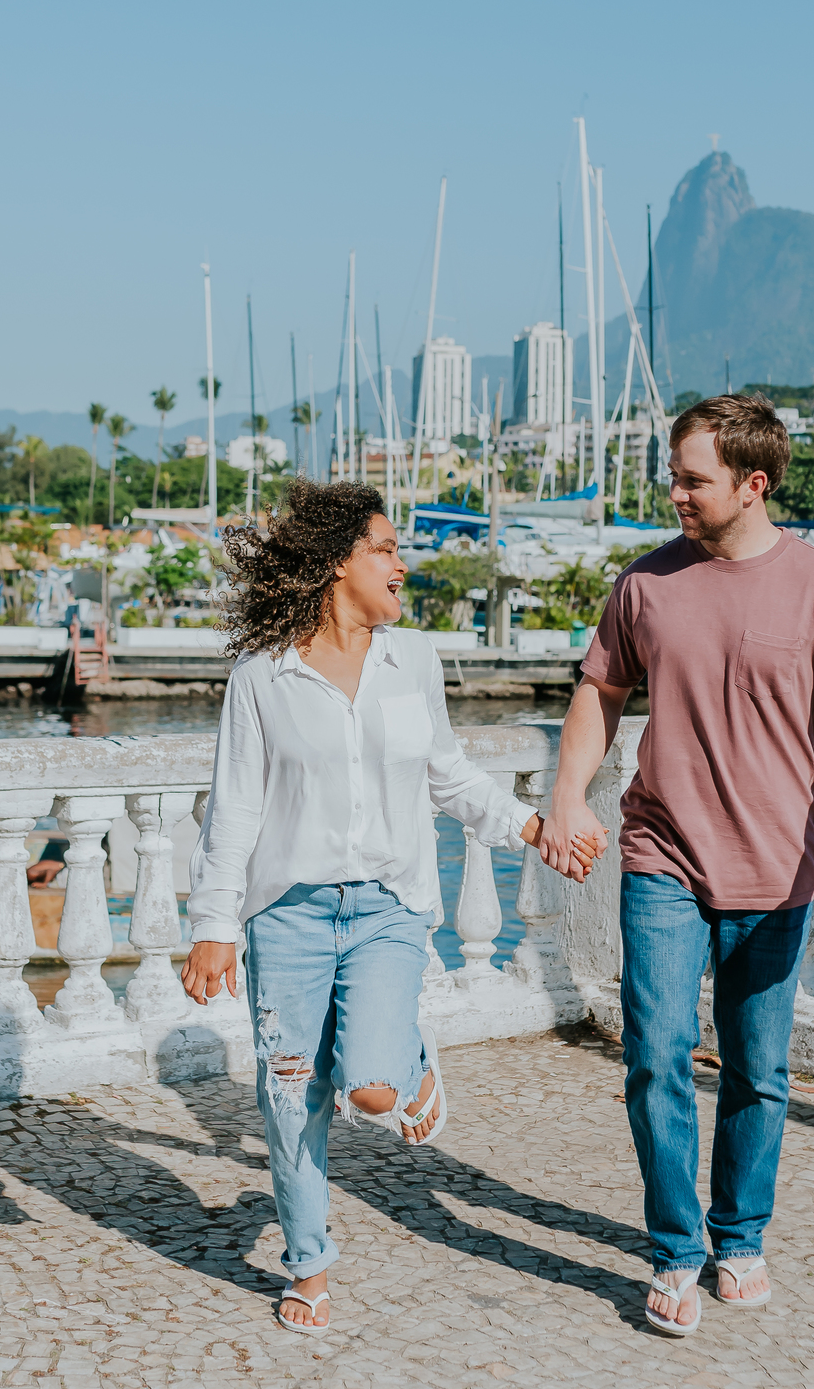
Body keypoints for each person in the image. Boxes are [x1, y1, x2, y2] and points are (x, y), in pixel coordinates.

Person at [182, 479, 595, 1335]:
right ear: (338, 562)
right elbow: (236, 808)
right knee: (290, 1093)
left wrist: (530, 825)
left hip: (388, 908)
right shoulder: (264, 674)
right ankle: (309, 1261)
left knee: (369, 1091)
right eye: (384, 548)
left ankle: (409, 1065)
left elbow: (446, 772)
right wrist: (214, 926)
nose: (401, 564)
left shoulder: (416, 662)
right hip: (286, 913)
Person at [539, 394, 814, 1336]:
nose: (675, 494)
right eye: (673, 475)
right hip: (660, 852)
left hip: (775, 867)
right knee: (655, 1054)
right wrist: (568, 792)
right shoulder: (644, 585)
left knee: (757, 1069)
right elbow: (599, 693)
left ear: (754, 484)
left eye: (692, 479)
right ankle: (674, 1250)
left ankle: (738, 1237)